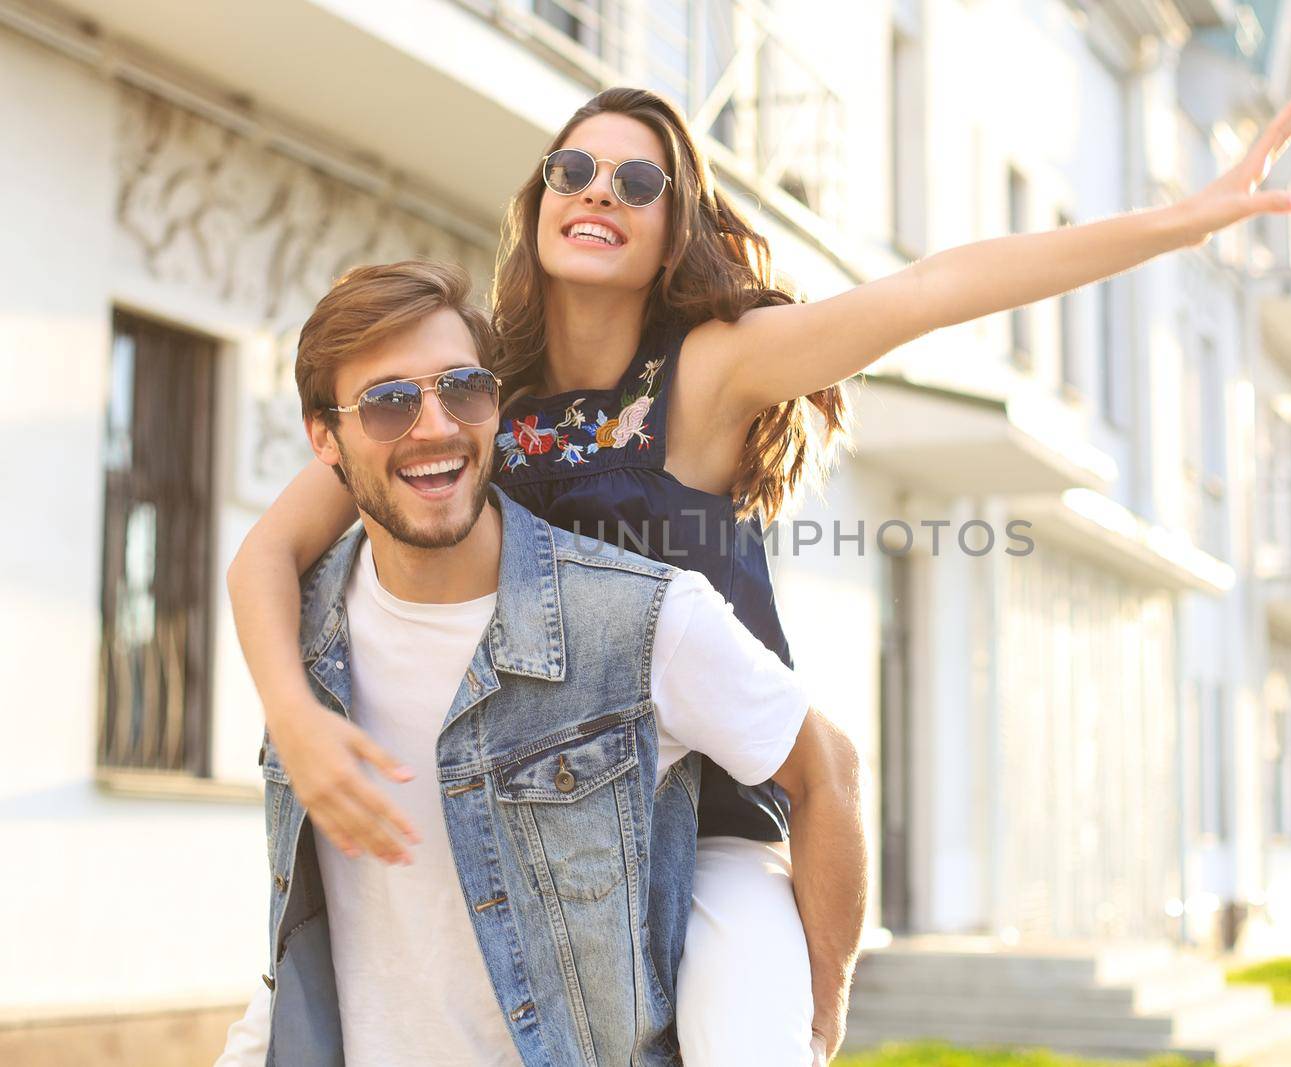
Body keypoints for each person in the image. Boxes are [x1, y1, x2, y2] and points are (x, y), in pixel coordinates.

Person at [226, 85, 1291, 1062]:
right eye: (573, 168)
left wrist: (1186, 218)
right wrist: (300, 720)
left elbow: (934, 290)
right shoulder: (470, 396)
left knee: (746, 1036)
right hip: (539, 818)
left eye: (636, 178)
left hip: (701, 818)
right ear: (540, 200)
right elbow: (268, 554)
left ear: (670, 232)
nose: (596, 188)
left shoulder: (709, 372)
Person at [215, 260, 864, 1066]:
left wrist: (822, 1003)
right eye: (388, 403)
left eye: (461, 388)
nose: (434, 426)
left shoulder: (637, 619)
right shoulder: (302, 633)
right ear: (325, 440)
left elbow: (826, 767)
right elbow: (308, 936)